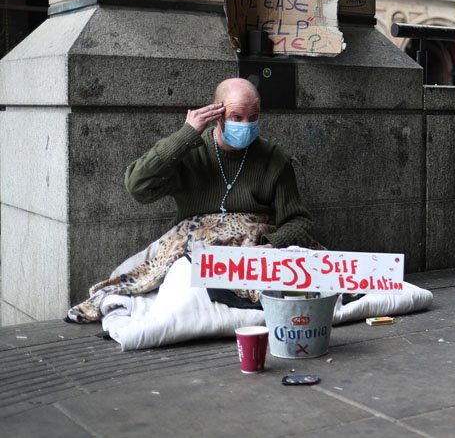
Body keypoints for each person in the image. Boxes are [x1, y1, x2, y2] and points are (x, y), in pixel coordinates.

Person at [67, 78, 315, 322]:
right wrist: (185, 136)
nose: (246, 125)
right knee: (155, 287)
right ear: (218, 115)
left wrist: (271, 245)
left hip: (250, 251)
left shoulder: (274, 160)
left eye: (253, 117)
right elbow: (138, 186)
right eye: (237, 117)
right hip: (192, 249)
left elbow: (299, 222)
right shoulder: (191, 151)